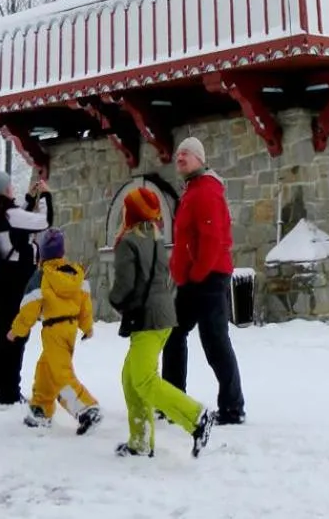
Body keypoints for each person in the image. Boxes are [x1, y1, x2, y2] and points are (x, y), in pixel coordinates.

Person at [109, 184, 215, 459]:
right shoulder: (155, 236)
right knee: (131, 379)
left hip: (147, 319)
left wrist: (115, 300)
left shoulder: (129, 242)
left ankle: (196, 417)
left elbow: (124, 285)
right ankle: (141, 442)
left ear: (130, 213)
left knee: (144, 380)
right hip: (165, 315)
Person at [161, 137, 245, 426]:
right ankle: (173, 399)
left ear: (200, 158)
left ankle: (232, 407)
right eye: (178, 153)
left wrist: (197, 273)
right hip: (194, 279)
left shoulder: (206, 191)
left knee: (215, 340)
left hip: (207, 278)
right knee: (175, 334)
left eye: (186, 153)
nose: (180, 157)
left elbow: (212, 239)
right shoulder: (193, 190)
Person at [0, 167, 53, 404]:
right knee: (16, 333)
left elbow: (15, 227)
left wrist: (28, 200)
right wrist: (45, 196)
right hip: (14, 281)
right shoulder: (8, 215)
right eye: (10, 186)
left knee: (3, 334)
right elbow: (43, 221)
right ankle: (9, 392)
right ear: (5, 189)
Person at [7, 228, 101, 434]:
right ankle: (40, 408)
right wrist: (87, 327)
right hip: (70, 329)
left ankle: (87, 409)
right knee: (46, 368)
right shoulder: (75, 273)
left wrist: (16, 330)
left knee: (60, 374)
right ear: (62, 251)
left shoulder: (41, 276)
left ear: (42, 253)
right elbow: (85, 306)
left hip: (53, 329)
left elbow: (29, 308)